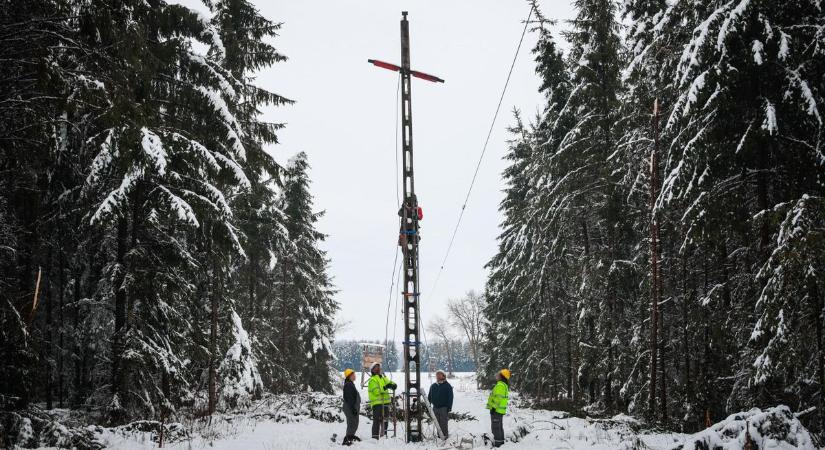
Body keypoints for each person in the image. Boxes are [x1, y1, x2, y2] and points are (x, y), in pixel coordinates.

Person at [367, 362, 397, 439]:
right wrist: (386, 387)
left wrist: (393, 385)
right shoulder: (372, 380)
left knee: (385, 420)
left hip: (385, 403)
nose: (378, 369)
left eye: (379, 367)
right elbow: (376, 392)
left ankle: (384, 435)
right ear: (373, 370)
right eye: (376, 368)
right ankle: (375, 437)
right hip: (377, 404)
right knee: (377, 421)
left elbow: (390, 383)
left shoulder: (383, 378)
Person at [486, 369, 510, 447]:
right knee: (499, 427)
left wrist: (493, 408)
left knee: (496, 428)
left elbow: (498, 398)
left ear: (502, 376)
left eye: (498, 374)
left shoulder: (500, 385)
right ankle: (501, 443)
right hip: (499, 410)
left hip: (496, 410)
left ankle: (498, 445)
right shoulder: (503, 385)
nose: (496, 375)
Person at [427, 369, 453, 440]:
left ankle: (445, 436)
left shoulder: (447, 386)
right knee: (437, 422)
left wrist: (449, 407)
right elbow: (429, 396)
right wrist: (428, 405)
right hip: (435, 407)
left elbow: (450, 397)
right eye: (437, 375)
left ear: (443, 376)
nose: (438, 376)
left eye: (439, 374)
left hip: (444, 407)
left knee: (443, 422)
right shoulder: (433, 386)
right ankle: (439, 436)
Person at [341, 369, 361, 446]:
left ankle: (351, 436)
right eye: (353, 375)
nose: (355, 376)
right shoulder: (349, 385)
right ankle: (347, 439)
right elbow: (350, 398)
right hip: (350, 407)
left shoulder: (350, 384)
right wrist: (353, 409)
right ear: (349, 376)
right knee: (352, 423)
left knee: (354, 422)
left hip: (351, 407)